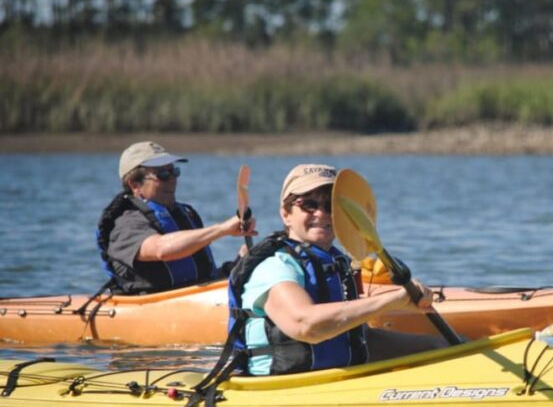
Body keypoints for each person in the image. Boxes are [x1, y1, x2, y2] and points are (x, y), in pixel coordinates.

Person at [228, 164, 446, 376]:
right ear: (286, 214)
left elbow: (361, 339)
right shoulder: (275, 267)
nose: (321, 214)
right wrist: (390, 301)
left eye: (330, 207)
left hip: (333, 380)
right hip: (283, 391)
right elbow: (306, 326)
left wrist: (439, 348)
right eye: (309, 205)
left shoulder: (336, 262)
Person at [97, 141, 256, 294]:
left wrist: (240, 263)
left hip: (192, 302)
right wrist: (222, 229)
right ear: (135, 185)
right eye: (163, 174)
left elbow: (205, 279)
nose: (173, 180)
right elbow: (162, 249)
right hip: (152, 307)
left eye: (174, 171)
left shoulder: (185, 214)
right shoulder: (125, 224)